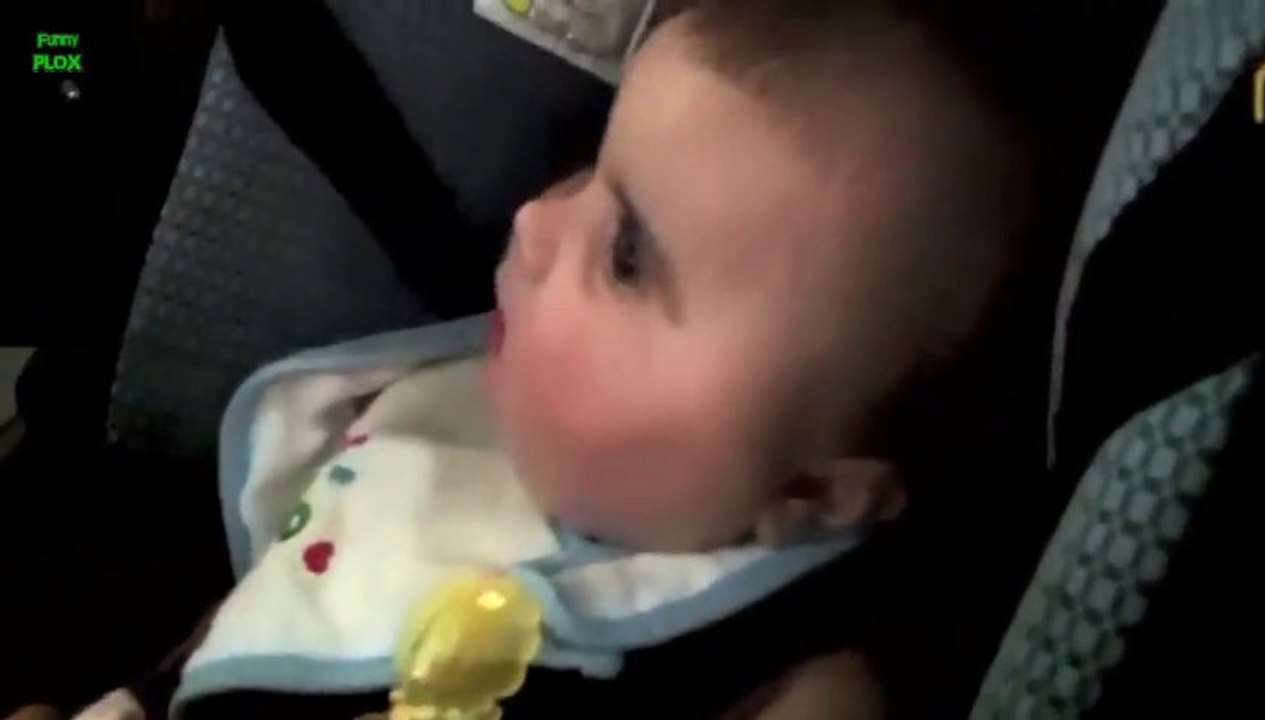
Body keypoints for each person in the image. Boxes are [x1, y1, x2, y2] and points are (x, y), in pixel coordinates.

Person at [21, 1, 1035, 718]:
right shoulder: (429, 431)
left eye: (629, 256)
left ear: (810, 488)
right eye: (590, 167)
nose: (535, 219)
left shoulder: (788, 678)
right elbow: (273, 625)